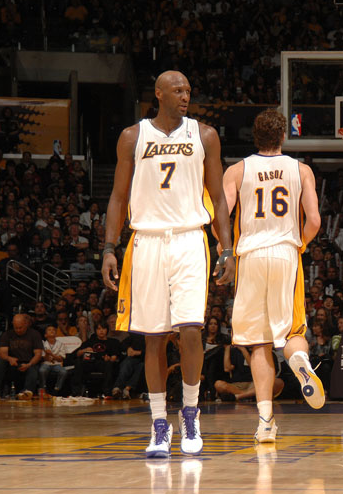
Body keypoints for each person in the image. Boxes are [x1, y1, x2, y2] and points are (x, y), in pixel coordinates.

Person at [101, 71, 235, 459]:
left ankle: (190, 414)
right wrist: (109, 247)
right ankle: (160, 423)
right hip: (146, 241)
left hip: (190, 239)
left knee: (191, 329)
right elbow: (117, 197)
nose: (185, 96)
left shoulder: (205, 135)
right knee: (154, 338)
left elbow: (218, 198)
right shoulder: (133, 136)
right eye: (177, 90)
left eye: (188, 90)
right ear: (158, 93)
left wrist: (227, 248)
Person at [221, 108, 323, 444]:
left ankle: (265, 422)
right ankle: (300, 361)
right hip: (285, 252)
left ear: (255, 136)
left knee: (259, 341)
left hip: (250, 255)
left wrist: (226, 250)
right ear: (282, 136)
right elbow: (314, 221)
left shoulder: (237, 170)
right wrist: (299, 245)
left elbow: (220, 216)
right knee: (292, 330)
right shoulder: (301, 170)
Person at [0, 314, 43, 400]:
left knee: (33, 367)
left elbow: (38, 354)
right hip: (12, 364)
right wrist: (9, 358)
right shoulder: (7, 334)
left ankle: (26, 393)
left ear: (26, 324)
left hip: (28, 363)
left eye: (20, 328)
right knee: (0, 363)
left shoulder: (34, 334)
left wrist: (29, 364)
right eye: (16, 328)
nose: (18, 330)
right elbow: (2, 353)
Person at [38, 325, 69, 396]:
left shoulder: (61, 344)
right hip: (46, 364)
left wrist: (51, 354)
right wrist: (47, 355)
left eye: (53, 330)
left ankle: (57, 389)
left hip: (57, 364)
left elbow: (60, 358)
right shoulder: (43, 344)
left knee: (63, 371)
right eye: (49, 330)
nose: (52, 331)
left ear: (56, 334)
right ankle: (43, 389)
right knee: (42, 370)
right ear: (45, 335)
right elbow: (44, 358)